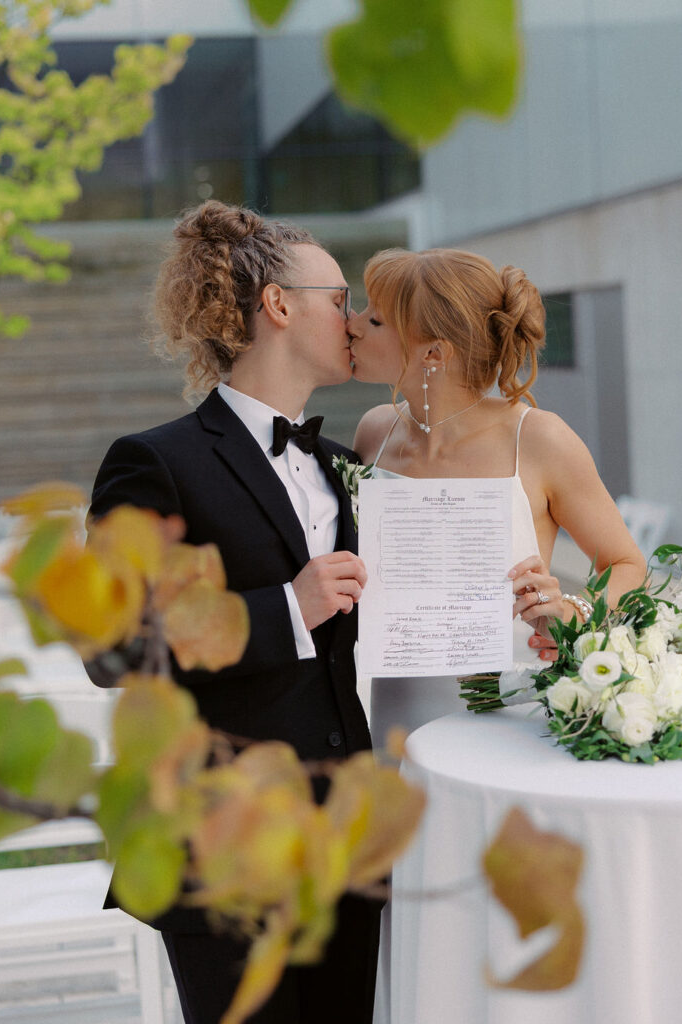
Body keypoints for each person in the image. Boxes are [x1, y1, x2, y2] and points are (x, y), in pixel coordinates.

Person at [88, 200, 381, 1024]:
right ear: (278, 305)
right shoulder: (155, 463)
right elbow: (112, 650)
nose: (353, 318)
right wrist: (284, 610)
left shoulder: (343, 462)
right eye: (339, 297)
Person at [346, 246, 646, 1024]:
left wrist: (575, 613)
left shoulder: (538, 440)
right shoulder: (373, 432)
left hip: (505, 723)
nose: (351, 327)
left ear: (432, 353)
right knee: (408, 920)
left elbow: (624, 565)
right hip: (394, 728)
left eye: (374, 320)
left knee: (491, 922)